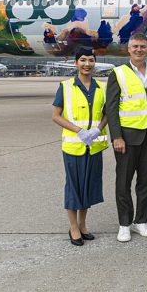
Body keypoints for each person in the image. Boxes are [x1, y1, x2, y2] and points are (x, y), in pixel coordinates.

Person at [105, 32, 147, 243]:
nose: (139, 50)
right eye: (135, 46)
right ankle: (124, 223)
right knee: (123, 183)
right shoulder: (118, 73)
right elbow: (111, 109)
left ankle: (141, 221)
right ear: (128, 49)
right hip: (127, 138)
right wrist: (116, 137)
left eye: (142, 46)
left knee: (145, 182)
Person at [50, 46, 108, 246]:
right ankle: (73, 227)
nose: (87, 64)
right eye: (83, 60)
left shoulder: (101, 87)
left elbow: (107, 112)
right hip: (74, 147)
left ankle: (83, 224)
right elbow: (56, 116)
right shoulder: (65, 86)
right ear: (76, 63)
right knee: (74, 187)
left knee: (88, 187)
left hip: (94, 146)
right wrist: (78, 130)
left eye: (91, 60)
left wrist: (98, 129)